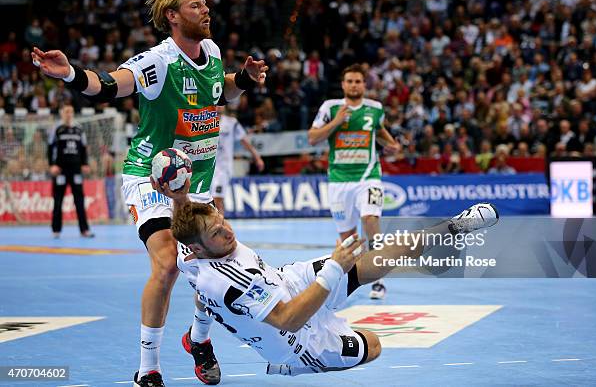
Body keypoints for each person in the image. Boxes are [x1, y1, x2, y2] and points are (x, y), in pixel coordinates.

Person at [32, 0, 268, 387]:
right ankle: (148, 368)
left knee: (214, 267)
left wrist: (243, 79)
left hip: (198, 183)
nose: (206, 9)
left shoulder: (210, 53)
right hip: (153, 178)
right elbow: (107, 85)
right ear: (172, 17)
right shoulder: (157, 61)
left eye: (205, 3)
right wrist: (70, 73)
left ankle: (198, 341)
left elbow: (220, 93)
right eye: (195, 5)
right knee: (168, 264)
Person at [168, 179, 498, 376]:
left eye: (222, 221)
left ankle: (453, 227)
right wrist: (334, 269)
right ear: (198, 247)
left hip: (286, 282)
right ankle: (207, 344)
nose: (227, 230)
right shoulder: (225, 280)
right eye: (216, 232)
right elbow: (289, 320)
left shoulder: (194, 251)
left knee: (367, 262)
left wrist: (178, 196)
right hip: (295, 344)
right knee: (373, 343)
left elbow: (196, 269)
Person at [307, 64, 401, 299]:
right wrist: (337, 121)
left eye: (358, 81)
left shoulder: (375, 108)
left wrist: (393, 143)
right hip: (339, 180)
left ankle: (378, 278)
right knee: (348, 239)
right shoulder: (331, 108)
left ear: (364, 85)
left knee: (370, 221)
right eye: (349, 81)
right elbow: (312, 138)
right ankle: (350, 279)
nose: (354, 85)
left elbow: (378, 131)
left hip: (368, 177)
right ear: (343, 84)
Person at [47, 104, 94, 238]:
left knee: (79, 200)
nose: (69, 114)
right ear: (62, 113)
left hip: (76, 169)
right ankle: (56, 230)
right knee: (58, 200)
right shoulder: (57, 129)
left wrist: (85, 164)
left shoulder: (79, 129)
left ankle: (84, 230)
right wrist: (52, 165)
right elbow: (50, 148)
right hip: (60, 170)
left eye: (71, 111)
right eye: (66, 111)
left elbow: (84, 148)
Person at [211, 105, 264, 216]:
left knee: (217, 200)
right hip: (208, 168)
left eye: (221, 105)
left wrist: (257, 157)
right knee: (209, 201)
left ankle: (219, 228)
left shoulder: (231, 123)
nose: (219, 107)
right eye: (216, 105)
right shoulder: (205, 122)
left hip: (223, 169)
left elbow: (244, 141)